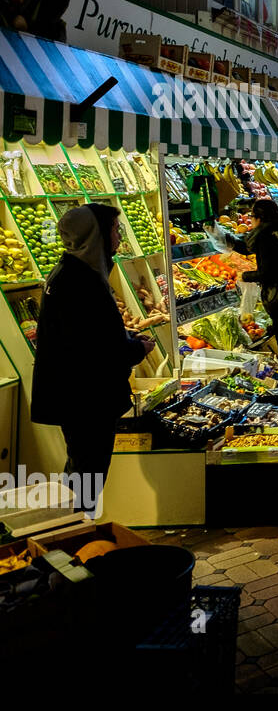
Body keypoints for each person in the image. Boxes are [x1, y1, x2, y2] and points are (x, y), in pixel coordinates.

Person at [31, 205, 154, 516]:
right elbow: (93, 350)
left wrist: (126, 339)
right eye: (113, 229)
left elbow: (91, 336)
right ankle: (76, 539)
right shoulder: (80, 282)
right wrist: (136, 349)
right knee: (87, 473)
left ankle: (75, 532)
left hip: (79, 396)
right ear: (95, 235)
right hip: (85, 398)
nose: (118, 236)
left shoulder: (75, 273)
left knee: (82, 469)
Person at [209, 199, 278, 363]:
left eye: (251, 216)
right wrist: (218, 234)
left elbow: (268, 273)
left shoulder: (265, 237)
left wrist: (245, 276)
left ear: (258, 218)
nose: (250, 220)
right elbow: (245, 247)